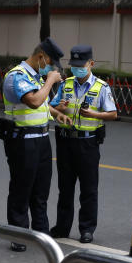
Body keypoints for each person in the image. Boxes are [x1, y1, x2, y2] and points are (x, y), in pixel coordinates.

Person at [0, 38, 68, 252]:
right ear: (41, 57)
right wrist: (50, 81)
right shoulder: (17, 76)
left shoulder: (37, 77)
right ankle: (18, 234)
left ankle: (41, 232)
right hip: (22, 141)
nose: (52, 68)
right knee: (22, 188)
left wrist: (57, 113)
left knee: (41, 190)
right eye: (51, 63)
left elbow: (44, 106)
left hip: (41, 140)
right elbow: (34, 101)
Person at [48, 46, 117, 244]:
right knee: (65, 187)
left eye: (81, 65)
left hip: (88, 143)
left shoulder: (101, 87)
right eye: (74, 66)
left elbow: (112, 114)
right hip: (66, 141)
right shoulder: (66, 84)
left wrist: (95, 115)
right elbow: (51, 108)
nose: (77, 69)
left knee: (88, 189)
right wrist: (58, 108)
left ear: (91, 64)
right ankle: (62, 227)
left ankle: (87, 229)